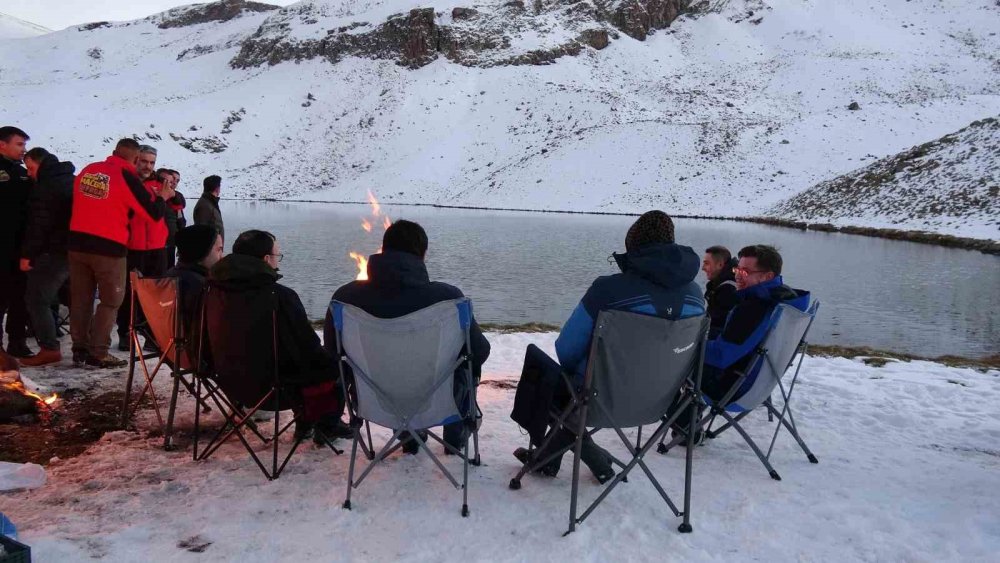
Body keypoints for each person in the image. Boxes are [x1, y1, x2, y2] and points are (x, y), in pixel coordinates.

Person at [510, 210, 705, 483]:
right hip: (660, 401)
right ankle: (563, 458)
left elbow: (566, 350)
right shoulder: (697, 297)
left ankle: (551, 457)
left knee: (546, 376)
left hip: (600, 399)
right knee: (576, 394)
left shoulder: (609, 290)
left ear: (633, 246)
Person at [327, 220, 491, 454]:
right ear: (423, 255)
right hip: (436, 401)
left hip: (374, 401)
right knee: (467, 360)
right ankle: (455, 437)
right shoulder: (448, 299)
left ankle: (408, 436)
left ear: (382, 250)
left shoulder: (345, 299)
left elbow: (333, 353)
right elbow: (480, 352)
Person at [207, 230, 350, 441]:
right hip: (275, 390)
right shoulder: (279, 296)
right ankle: (325, 425)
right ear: (266, 259)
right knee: (336, 366)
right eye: (277, 257)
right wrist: (335, 360)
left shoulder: (212, 288)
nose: (277, 262)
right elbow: (308, 348)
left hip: (228, 383)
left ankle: (309, 421)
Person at [671, 245, 811, 442]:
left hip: (734, 387)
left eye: (745, 271)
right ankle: (685, 426)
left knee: (673, 362)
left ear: (766, 276)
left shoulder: (753, 308)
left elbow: (721, 356)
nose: (737, 275)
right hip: (761, 383)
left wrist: (687, 343)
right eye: (737, 269)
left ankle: (685, 430)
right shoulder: (785, 301)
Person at [68, 138, 174, 368]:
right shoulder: (127, 177)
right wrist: (163, 198)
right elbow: (153, 214)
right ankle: (98, 352)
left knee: (81, 298)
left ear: (114, 152)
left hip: (76, 245)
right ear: (135, 159)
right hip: (108, 248)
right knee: (111, 300)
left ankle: (79, 348)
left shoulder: (89, 170)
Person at [18, 148, 75, 367]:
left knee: (36, 299)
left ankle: (49, 348)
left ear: (37, 163)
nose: (30, 174)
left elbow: (38, 226)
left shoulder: (46, 187)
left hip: (53, 252)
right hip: (76, 250)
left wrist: (27, 255)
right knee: (73, 299)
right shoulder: (71, 180)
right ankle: (84, 345)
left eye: (30, 168)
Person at [116, 146, 170, 351]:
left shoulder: (159, 183)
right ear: (136, 160)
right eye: (144, 161)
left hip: (157, 247)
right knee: (128, 294)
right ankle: (125, 333)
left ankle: (152, 335)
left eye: (152, 162)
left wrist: (167, 193)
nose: (148, 166)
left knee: (157, 295)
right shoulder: (127, 181)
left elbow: (177, 202)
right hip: (132, 246)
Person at [0, 126, 32, 359]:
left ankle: (17, 341)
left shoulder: (22, 173)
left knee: (20, 295)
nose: (24, 150)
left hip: (21, 246)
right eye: (19, 144)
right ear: (3, 144)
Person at [702, 245, 739, 338]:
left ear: (720, 265)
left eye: (706, 263)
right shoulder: (725, 283)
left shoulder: (728, 290)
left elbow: (716, 325)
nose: (702, 268)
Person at [162, 169, 187, 269]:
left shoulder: (177, 200)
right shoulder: (160, 197)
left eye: (177, 181)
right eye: (173, 179)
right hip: (161, 243)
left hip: (172, 242)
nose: (175, 183)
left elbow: (181, 221)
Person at [194, 175, 224, 242]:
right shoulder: (205, 205)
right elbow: (202, 231)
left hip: (214, 247)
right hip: (210, 248)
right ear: (217, 188)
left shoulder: (210, 202)